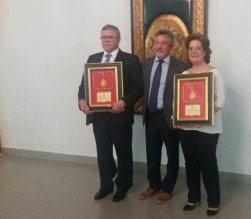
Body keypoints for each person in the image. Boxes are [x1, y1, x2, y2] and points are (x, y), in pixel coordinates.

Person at [78, 24, 143, 202]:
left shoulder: (130, 59)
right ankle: (105, 185)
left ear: (118, 39)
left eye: (110, 37)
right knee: (103, 153)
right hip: (98, 117)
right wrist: (81, 101)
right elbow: (83, 86)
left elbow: (138, 88)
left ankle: (123, 185)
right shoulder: (93, 58)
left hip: (120, 116)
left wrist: (123, 102)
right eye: (103, 37)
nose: (106, 40)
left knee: (123, 153)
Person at [177, 33, 225, 216]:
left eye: (198, 48)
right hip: (186, 127)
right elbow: (179, 101)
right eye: (191, 48)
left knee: (208, 164)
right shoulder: (184, 75)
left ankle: (213, 201)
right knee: (190, 163)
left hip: (207, 128)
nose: (194, 51)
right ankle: (193, 197)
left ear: (205, 51)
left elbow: (220, 101)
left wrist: (202, 117)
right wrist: (178, 116)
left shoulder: (214, 73)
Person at [139, 30, 188, 203]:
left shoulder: (180, 66)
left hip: (170, 116)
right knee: (151, 153)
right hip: (151, 115)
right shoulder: (145, 64)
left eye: (163, 43)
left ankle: (168, 188)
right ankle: (153, 184)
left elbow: (185, 93)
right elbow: (139, 88)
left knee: (172, 154)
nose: (159, 46)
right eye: (157, 42)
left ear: (171, 46)